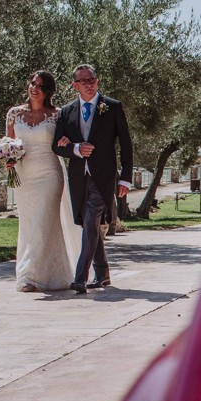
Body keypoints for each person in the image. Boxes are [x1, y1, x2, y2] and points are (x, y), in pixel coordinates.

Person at [52, 64, 133, 294]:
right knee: (90, 224)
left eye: (92, 79)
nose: (89, 84)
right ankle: (103, 273)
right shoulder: (66, 112)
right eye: (83, 81)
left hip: (104, 177)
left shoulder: (113, 107)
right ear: (74, 85)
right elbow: (56, 145)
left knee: (90, 221)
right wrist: (76, 149)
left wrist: (126, 178)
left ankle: (80, 277)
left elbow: (126, 144)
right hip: (78, 177)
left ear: (97, 81)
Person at [4, 70, 78, 292]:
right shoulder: (14, 114)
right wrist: (7, 157)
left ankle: (29, 276)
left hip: (49, 174)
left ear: (48, 91)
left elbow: (67, 140)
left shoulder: (58, 114)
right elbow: (7, 141)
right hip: (24, 175)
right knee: (29, 224)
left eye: (40, 85)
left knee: (44, 222)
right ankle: (48, 274)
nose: (33, 88)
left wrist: (67, 141)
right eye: (32, 83)